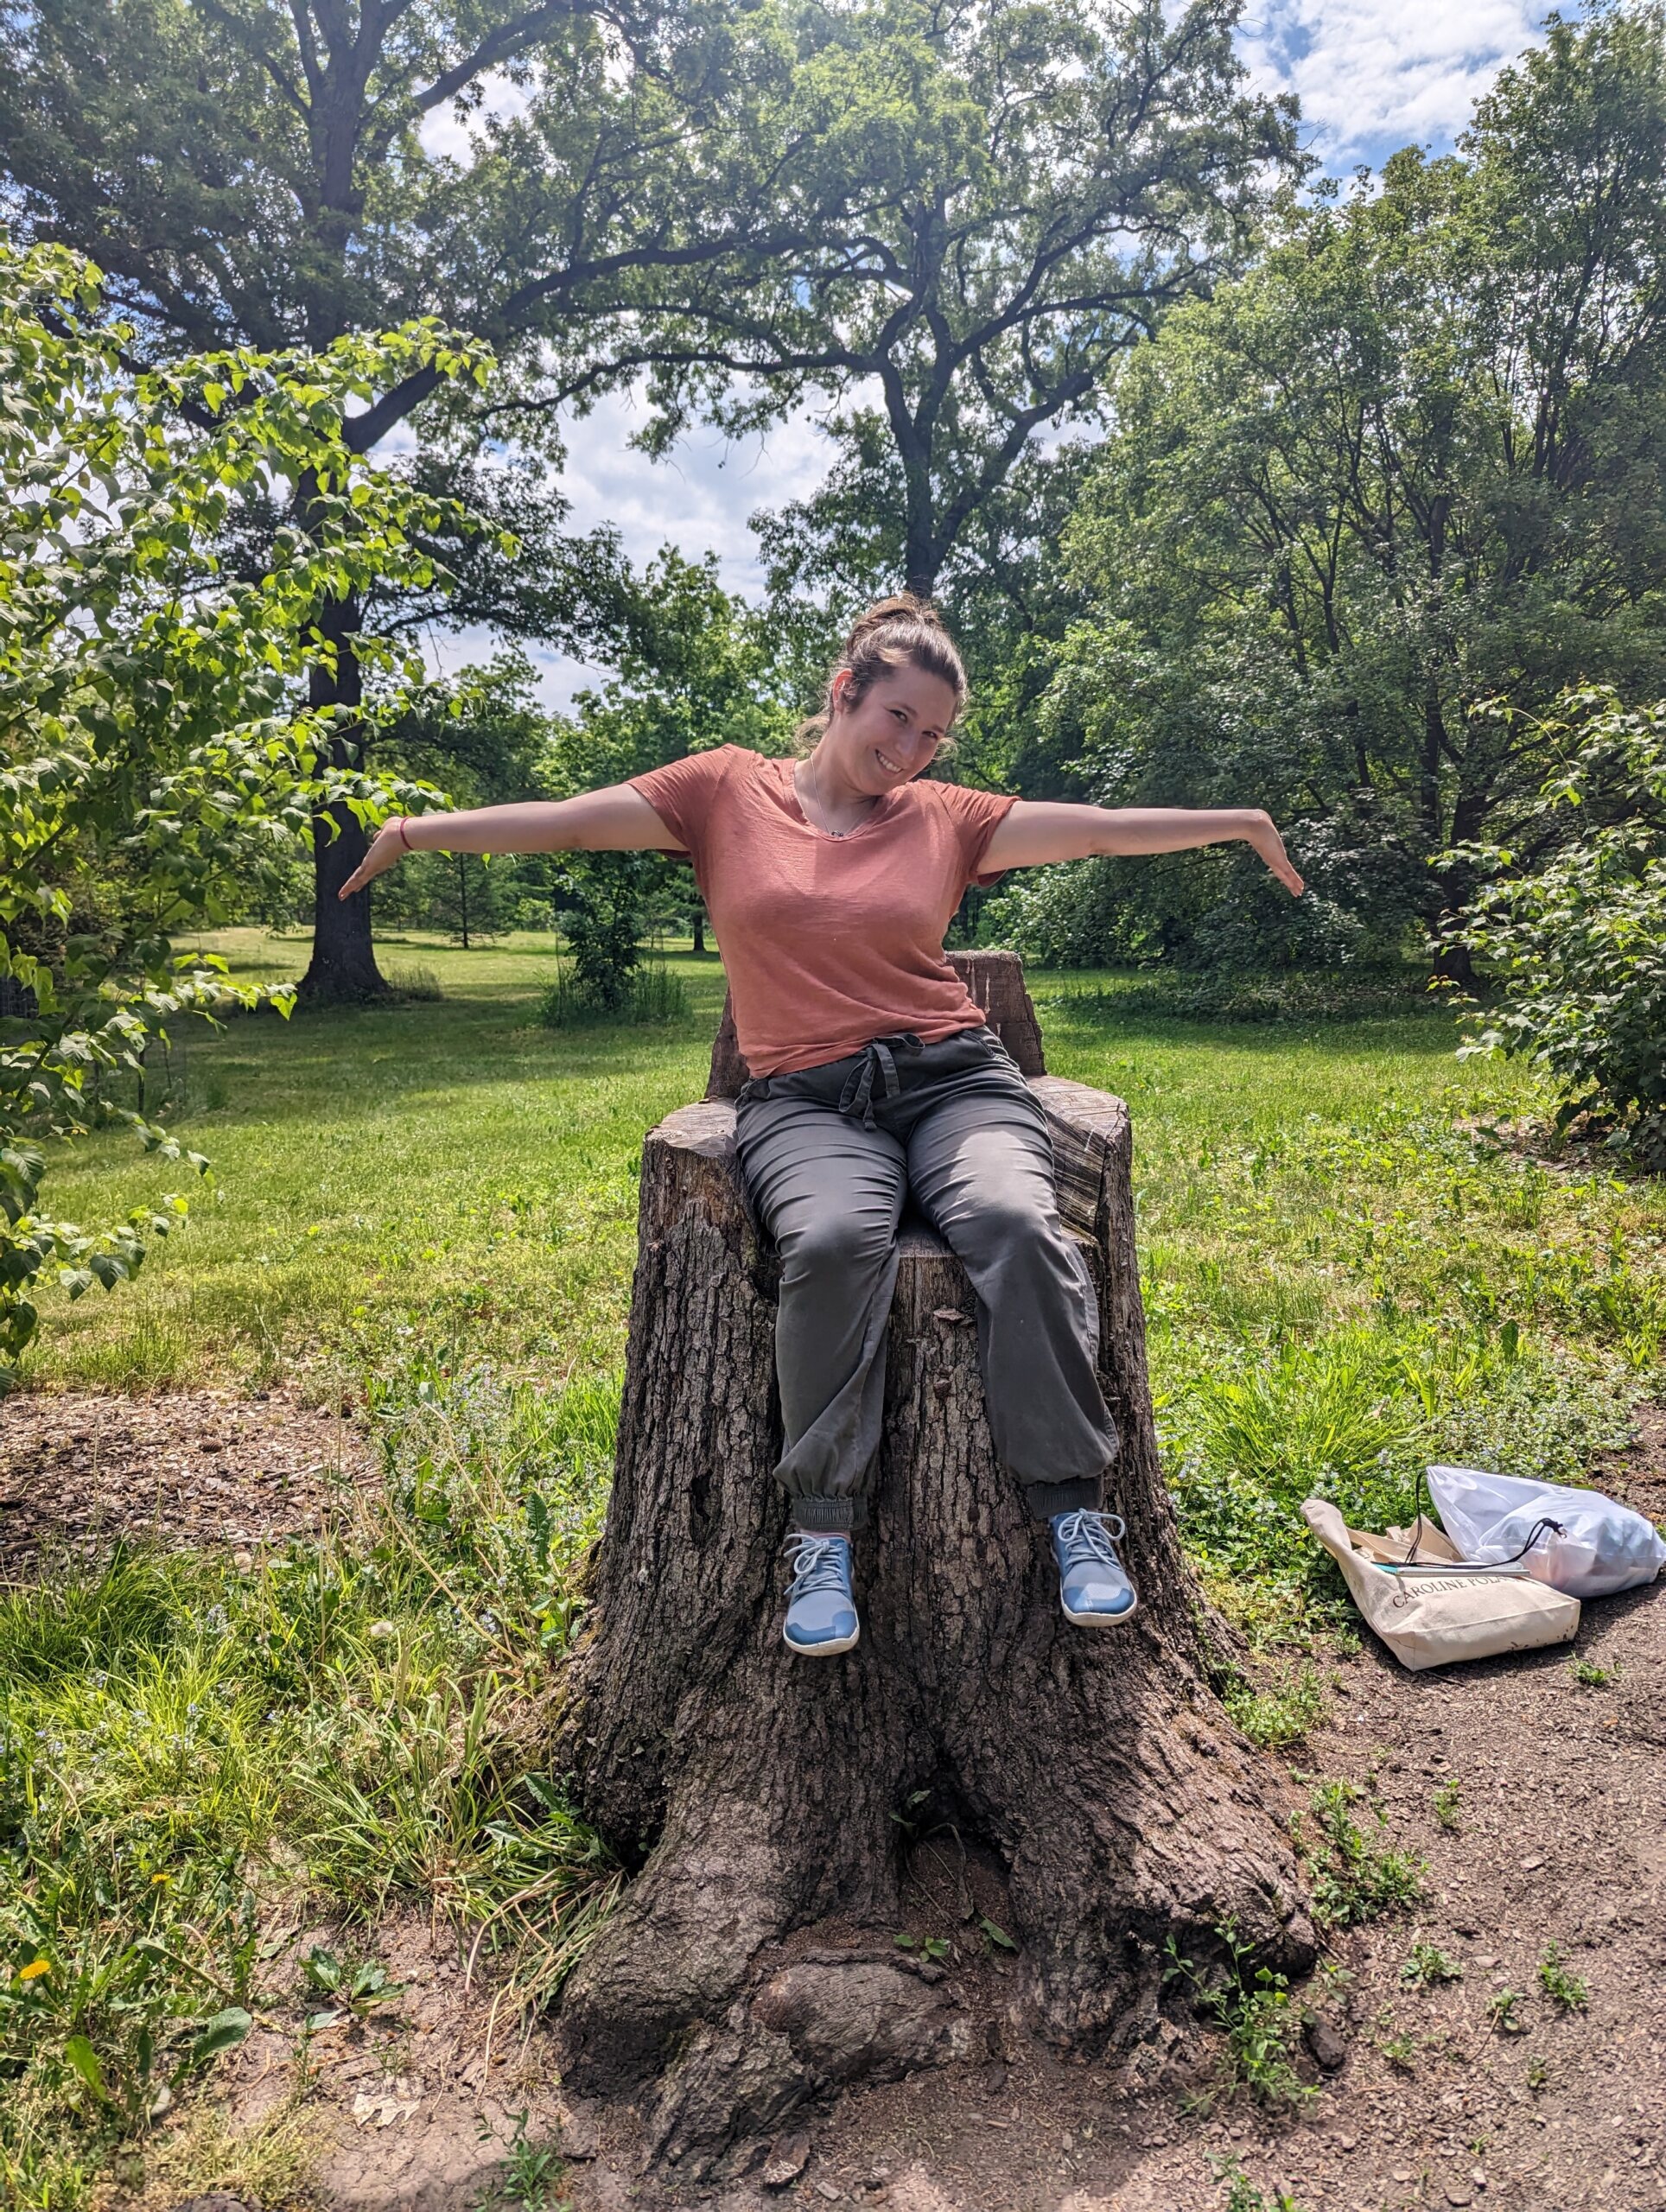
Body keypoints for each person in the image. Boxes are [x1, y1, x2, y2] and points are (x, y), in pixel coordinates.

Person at [340, 594, 1303, 1660]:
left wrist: (1239, 822)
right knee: (835, 1244)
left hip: (951, 1081)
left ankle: (1073, 1505)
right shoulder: (721, 792)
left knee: (1016, 1225)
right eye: (896, 718)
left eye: (932, 734)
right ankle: (823, 1531)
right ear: (844, 692)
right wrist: (415, 831)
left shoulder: (946, 817)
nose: (910, 748)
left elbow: (1095, 830)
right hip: (804, 1098)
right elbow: (572, 817)